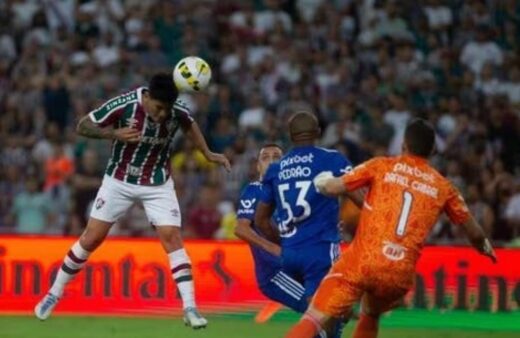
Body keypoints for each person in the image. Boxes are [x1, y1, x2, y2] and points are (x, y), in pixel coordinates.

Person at [34, 73, 231, 329]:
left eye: (166, 110)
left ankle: (190, 307)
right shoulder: (124, 105)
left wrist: (207, 153)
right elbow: (82, 125)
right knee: (91, 238)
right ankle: (54, 293)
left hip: (157, 183)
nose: (161, 115)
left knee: (171, 237)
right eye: (158, 108)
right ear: (147, 97)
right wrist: (113, 134)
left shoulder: (176, 111)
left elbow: (189, 124)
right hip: (119, 181)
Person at [285, 118, 497, 338]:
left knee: (314, 317)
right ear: (433, 149)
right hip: (399, 274)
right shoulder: (444, 187)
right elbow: (475, 233)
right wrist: (485, 248)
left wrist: (322, 181)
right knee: (370, 314)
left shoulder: (381, 166)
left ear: (403, 144)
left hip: (363, 261)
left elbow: (334, 187)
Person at [255, 111, 362, 337]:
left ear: (291, 137)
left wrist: (282, 241)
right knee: (329, 312)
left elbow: (261, 220)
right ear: (318, 133)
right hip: (321, 251)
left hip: (290, 255)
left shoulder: (276, 169)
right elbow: (361, 200)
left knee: (325, 312)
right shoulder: (331, 159)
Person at [235, 144, 308, 318]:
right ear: (259, 166)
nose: (271, 161)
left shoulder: (293, 191)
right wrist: (273, 248)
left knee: (331, 311)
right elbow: (240, 228)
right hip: (275, 273)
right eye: (265, 157)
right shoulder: (254, 190)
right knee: (320, 308)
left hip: (298, 266)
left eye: (276, 156)